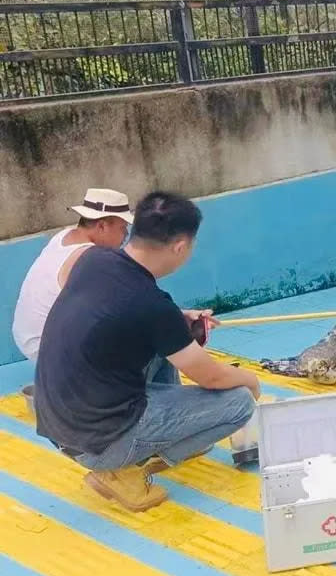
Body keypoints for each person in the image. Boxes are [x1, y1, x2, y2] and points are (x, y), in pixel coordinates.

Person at [33, 190, 261, 512]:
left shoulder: (93, 259)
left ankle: (150, 440)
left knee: (160, 345)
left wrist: (179, 319)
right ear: (180, 247)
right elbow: (212, 377)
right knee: (239, 402)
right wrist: (250, 379)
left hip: (59, 417)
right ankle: (124, 470)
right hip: (97, 442)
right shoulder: (153, 308)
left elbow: (112, 309)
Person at [12, 188, 134, 363]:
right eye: (123, 228)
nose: (125, 237)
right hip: (50, 349)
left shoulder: (63, 237)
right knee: (153, 339)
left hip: (28, 339)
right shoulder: (90, 257)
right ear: (102, 226)